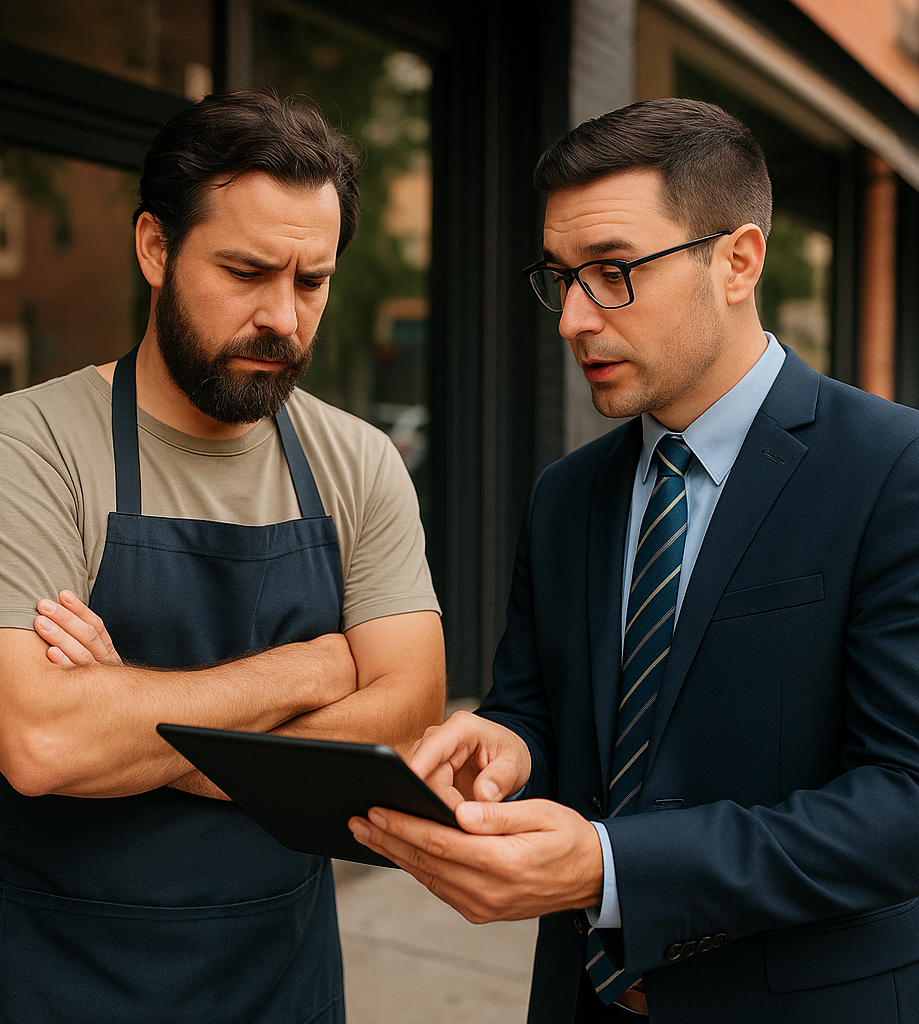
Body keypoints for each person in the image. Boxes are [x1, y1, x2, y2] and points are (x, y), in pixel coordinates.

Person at [350, 97, 919, 1023]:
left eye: (613, 272)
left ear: (738, 262)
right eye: (561, 277)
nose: (574, 319)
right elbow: (539, 705)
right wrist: (507, 747)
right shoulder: (565, 494)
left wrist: (611, 867)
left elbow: (906, 802)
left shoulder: (893, 470)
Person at [0, 88, 445, 1023]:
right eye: (246, 271)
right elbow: (43, 744)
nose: (284, 320)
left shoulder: (359, 462)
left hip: (276, 975)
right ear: (155, 248)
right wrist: (316, 666)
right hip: (58, 975)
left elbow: (407, 722)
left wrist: (125, 709)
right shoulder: (26, 446)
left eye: (311, 282)